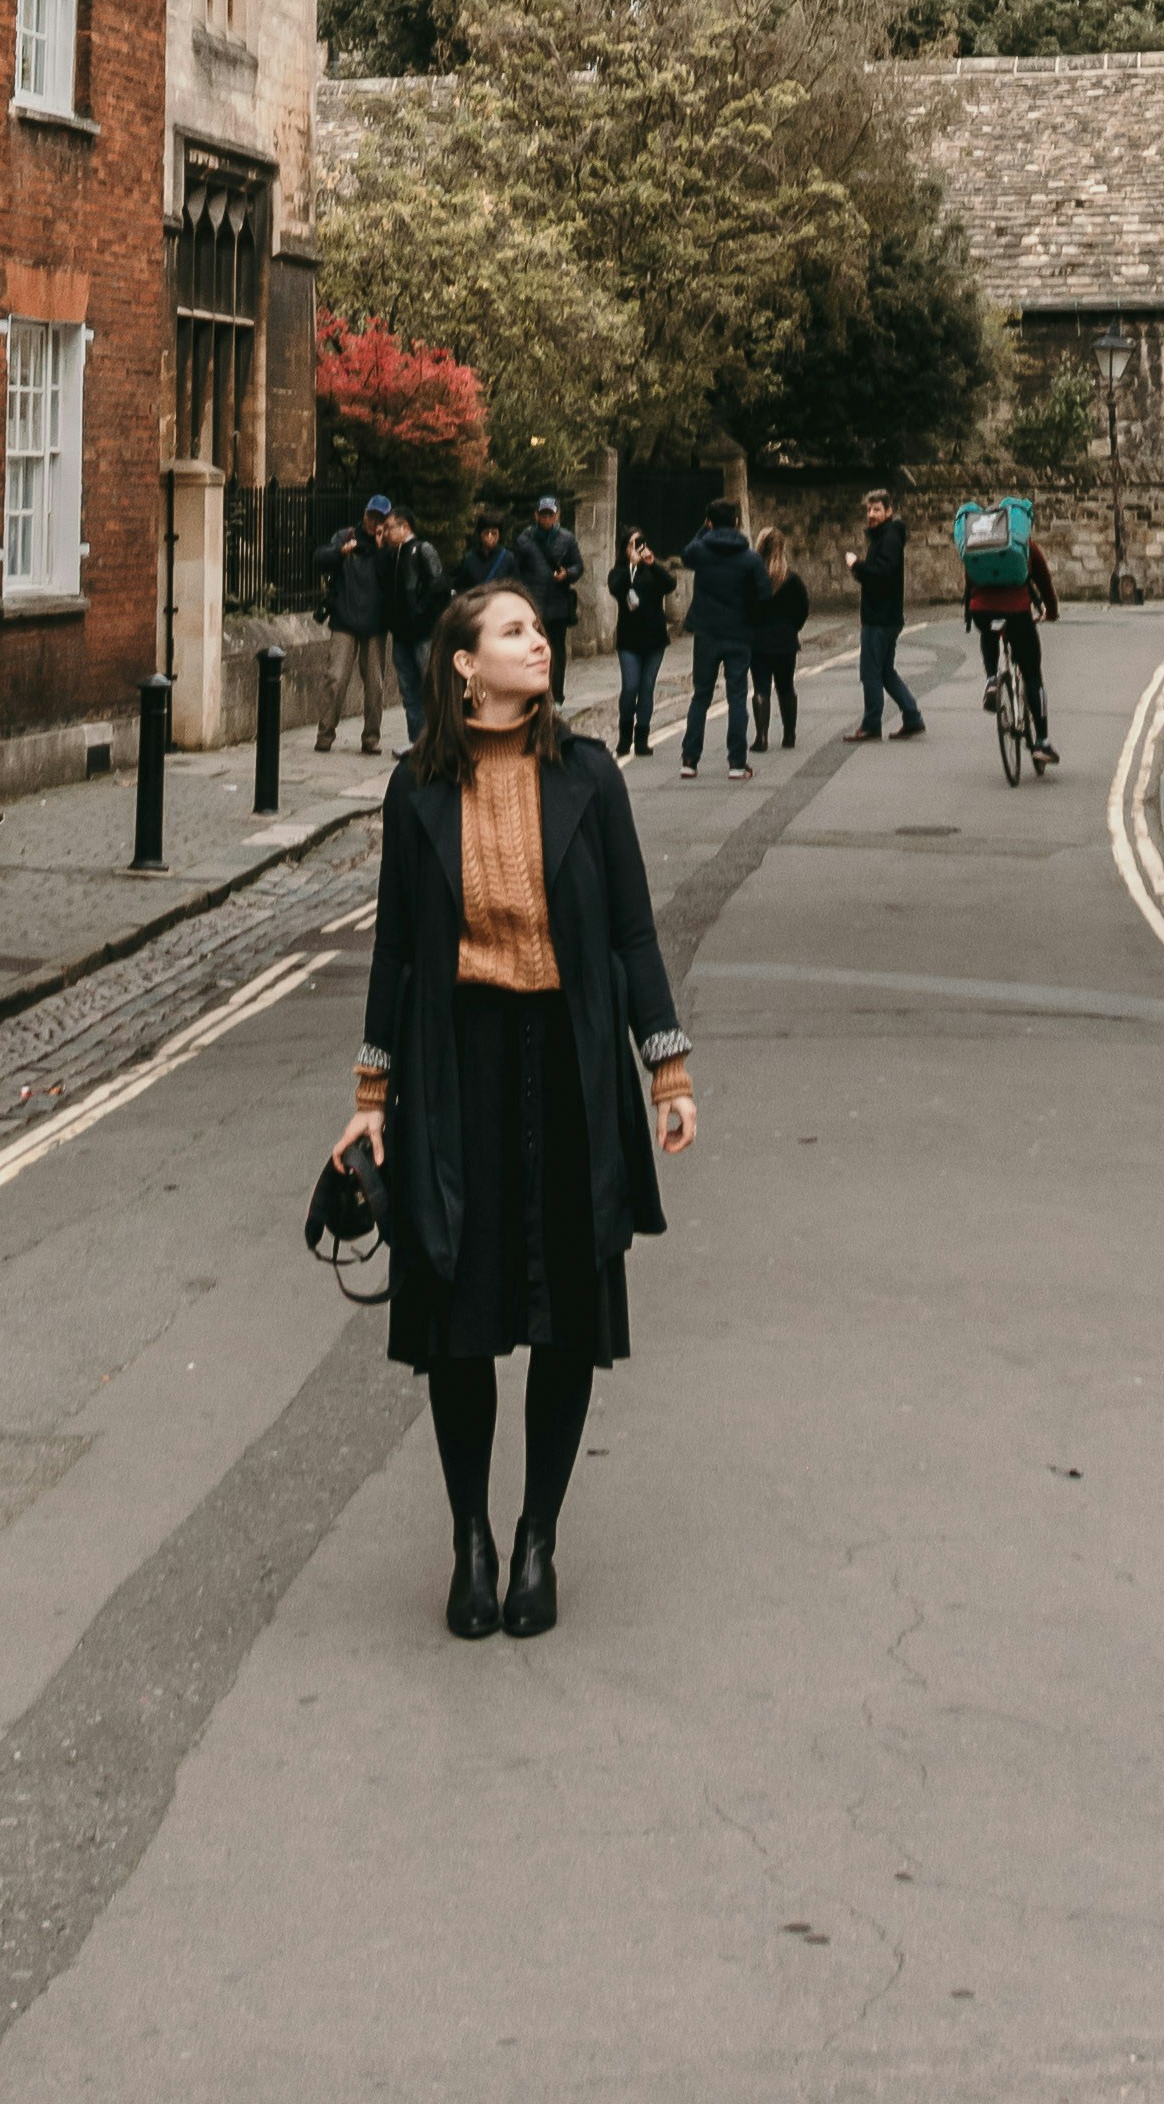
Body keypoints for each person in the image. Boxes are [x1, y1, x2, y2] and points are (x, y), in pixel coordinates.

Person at [334, 578, 698, 1641]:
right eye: (512, 631)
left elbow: (632, 933)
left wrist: (665, 1068)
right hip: (458, 1069)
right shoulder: (414, 792)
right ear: (463, 664)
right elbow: (396, 955)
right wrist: (369, 1098)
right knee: (460, 1315)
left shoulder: (589, 777)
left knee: (565, 1319)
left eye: (539, 629)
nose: (538, 642)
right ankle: (471, 1538)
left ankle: (538, 1532)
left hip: (571, 1064)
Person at [673, 500, 759, 779]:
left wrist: (705, 527)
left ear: (709, 522)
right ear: (737, 522)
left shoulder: (701, 550)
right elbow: (764, 595)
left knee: (701, 696)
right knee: (736, 697)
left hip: (707, 633)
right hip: (739, 633)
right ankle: (736, 762)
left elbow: (685, 554)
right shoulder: (749, 558)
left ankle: (689, 759)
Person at [966, 510, 1060, 762]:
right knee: (1032, 674)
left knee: (988, 631)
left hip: (981, 611)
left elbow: (970, 579)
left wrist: (973, 609)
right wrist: (1050, 611)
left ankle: (991, 681)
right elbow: (1044, 581)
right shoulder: (1025, 545)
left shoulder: (980, 543)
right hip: (1017, 612)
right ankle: (1042, 742)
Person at [317, 502, 396, 756]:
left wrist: (383, 547)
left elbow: (393, 576)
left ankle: (371, 738)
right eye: (371, 516)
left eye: (380, 519)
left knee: (375, 684)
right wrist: (341, 553)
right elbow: (320, 558)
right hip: (345, 619)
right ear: (364, 514)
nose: (374, 523)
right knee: (335, 678)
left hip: (375, 624)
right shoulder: (345, 536)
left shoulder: (389, 547)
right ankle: (325, 734)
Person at [849, 489, 925, 740]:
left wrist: (856, 566)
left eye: (877, 509)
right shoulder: (886, 536)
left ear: (889, 511)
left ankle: (871, 725)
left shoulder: (889, 538)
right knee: (885, 672)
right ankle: (912, 716)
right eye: (869, 510)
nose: (871, 514)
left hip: (880, 617)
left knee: (870, 671)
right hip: (886, 615)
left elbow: (882, 575)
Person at [377, 499, 450, 744]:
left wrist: (420, 613)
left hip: (422, 633)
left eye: (389, 527)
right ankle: (416, 741)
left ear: (404, 527)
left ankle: (436, 740)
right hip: (401, 634)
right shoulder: (393, 555)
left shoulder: (422, 549)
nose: (385, 532)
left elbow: (438, 587)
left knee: (429, 686)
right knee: (409, 691)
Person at [606, 526, 676, 757]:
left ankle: (642, 737)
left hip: (654, 638)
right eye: (633, 544)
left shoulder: (652, 569)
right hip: (629, 640)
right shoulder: (619, 572)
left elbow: (670, 584)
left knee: (647, 688)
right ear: (625, 548)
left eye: (641, 542)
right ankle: (625, 736)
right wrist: (632, 566)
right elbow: (616, 588)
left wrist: (651, 562)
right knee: (630, 687)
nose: (638, 548)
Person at [514, 494, 586, 688]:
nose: (547, 519)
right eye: (543, 514)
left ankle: (556, 694)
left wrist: (567, 573)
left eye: (550, 515)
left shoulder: (567, 538)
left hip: (558, 604)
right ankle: (534, 690)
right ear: (536, 515)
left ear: (557, 515)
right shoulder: (524, 539)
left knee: (556, 652)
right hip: (534, 604)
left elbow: (578, 566)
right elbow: (516, 572)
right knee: (532, 650)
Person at [749, 528, 810, 752]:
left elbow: (746, 608)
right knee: (786, 688)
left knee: (761, 688)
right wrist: (792, 628)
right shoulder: (792, 579)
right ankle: (789, 735)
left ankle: (762, 738)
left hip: (759, 642)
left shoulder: (753, 579)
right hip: (785, 642)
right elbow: (803, 609)